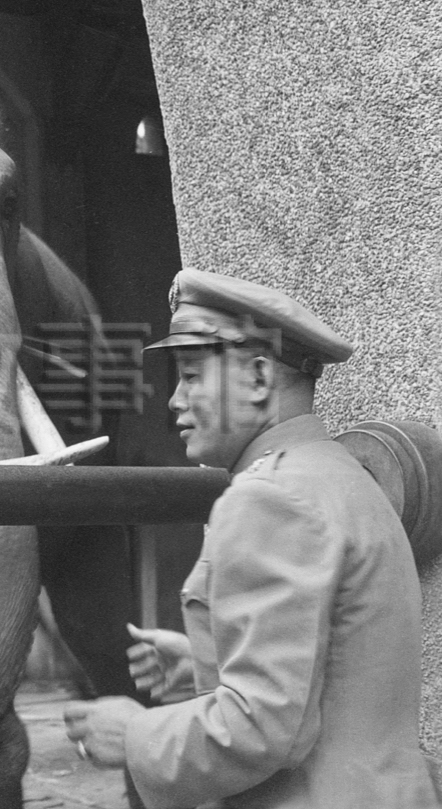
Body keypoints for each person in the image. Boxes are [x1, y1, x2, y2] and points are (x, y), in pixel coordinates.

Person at [62, 269, 441, 808]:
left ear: (260, 379)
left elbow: (264, 728)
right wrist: (203, 662)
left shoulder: (269, 498)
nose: (174, 399)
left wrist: (134, 735)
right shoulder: (341, 476)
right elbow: (338, 664)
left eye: (192, 376)